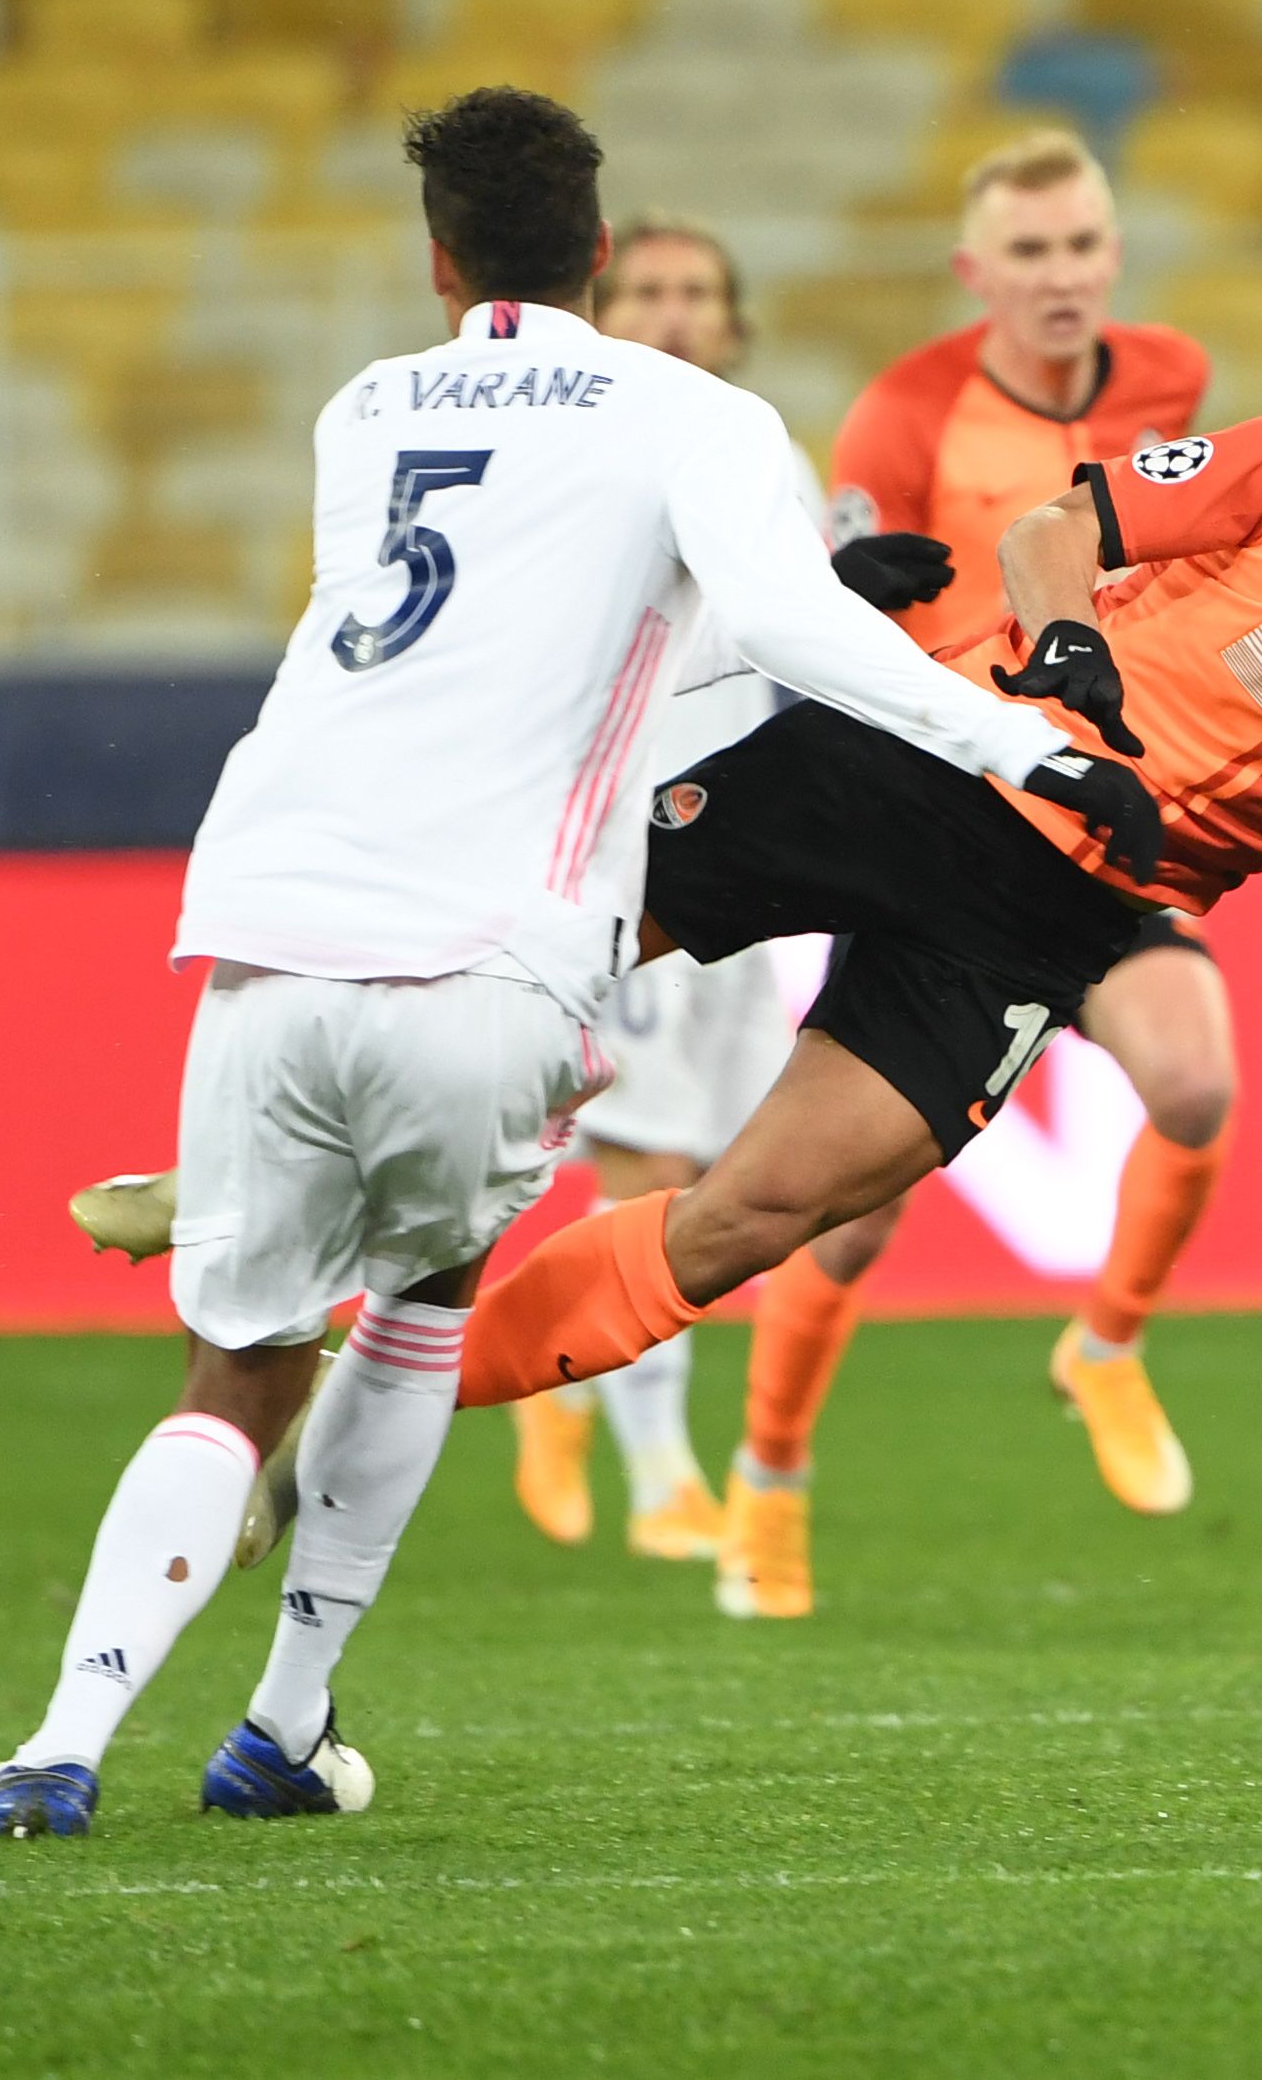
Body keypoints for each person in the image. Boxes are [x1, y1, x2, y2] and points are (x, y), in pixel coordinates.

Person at [0, 88, 1135, 1838]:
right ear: (604, 254)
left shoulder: (365, 407)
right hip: (488, 957)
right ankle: (284, 1722)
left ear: (439, 257)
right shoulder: (693, 408)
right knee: (421, 1307)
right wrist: (1013, 739)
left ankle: (55, 1749)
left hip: (266, 928)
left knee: (236, 1366)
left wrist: (814, 593)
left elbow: (473, 651)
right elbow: (758, 630)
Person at [445, 344, 1262, 1487]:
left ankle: (378, 1400)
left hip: (1052, 922)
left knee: (751, 1219)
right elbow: (1051, 531)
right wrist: (1069, 642)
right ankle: (311, 1175)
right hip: (947, 758)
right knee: (549, 947)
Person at [719, 127, 1220, 1623]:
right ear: (974, 271)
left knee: (1194, 1085)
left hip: (1104, 814)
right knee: (850, 1215)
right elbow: (843, 619)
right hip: (946, 824)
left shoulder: (1173, 380)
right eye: (1029, 253)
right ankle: (771, 1472)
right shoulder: (905, 413)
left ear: (1111, 255)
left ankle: (1107, 1345)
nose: (1059, 277)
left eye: (1080, 247)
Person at [504, 218, 846, 1565]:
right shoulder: (567, 455)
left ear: (733, 319)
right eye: (645, 289)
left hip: (743, 851)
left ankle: (569, 1391)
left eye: (697, 292)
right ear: (599, 306)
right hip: (616, 843)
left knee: (718, 1169)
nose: (672, 312)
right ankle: (657, 1470)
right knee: (641, 1159)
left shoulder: (770, 455)